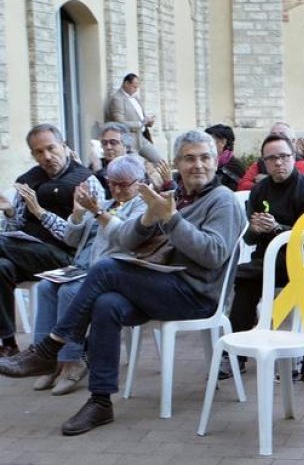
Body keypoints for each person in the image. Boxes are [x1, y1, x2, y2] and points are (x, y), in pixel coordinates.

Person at [0, 130, 245, 435]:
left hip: (197, 295)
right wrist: (146, 219)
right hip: (163, 286)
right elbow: (128, 239)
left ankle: (51, 347)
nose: (198, 165)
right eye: (190, 158)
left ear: (215, 161)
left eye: (205, 157)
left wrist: (171, 219)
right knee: (106, 304)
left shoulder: (222, 200)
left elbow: (213, 255)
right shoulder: (173, 197)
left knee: (105, 268)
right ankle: (100, 402)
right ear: (177, 163)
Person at [32, 155, 149, 396]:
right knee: (44, 287)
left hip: (114, 272)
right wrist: (77, 214)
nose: (116, 189)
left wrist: (96, 212)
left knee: (69, 291)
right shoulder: (106, 203)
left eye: (123, 184)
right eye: (112, 183)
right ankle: (46, 359)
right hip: (82, 267)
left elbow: (126, 237)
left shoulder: (142, 207)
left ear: (139, 182)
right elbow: (71, 239)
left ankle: (73, 359)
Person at [0, 124, 107, 356]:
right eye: (39, 152)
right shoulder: (27, 180)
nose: (47, 157)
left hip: (67, 260)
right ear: (33, 155)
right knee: (1, 266)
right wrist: (9, 213)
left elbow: (79, 239)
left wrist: (40, 213)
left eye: (51, 148)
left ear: (64, 146)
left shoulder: (87, 182)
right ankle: (8, 343)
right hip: (25, 255)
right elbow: (14, 227)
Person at [227, 134, 304, 372]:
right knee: (245, 279)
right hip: (267, 262)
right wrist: (255, 228)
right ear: (264, 163)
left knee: (246, 274)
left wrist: (277, 229)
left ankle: (300, 357)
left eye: (283, 156)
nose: (278, 163)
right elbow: (249, 238)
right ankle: (237, 357)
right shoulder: (259, 190)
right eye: (271, 159)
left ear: (294, 157)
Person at [103, 73, 164, 164]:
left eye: (137, 87)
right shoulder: (117, 99)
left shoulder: (135, 98)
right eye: (134, 87)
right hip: (129, 141)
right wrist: (141, 123)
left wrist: (148, 121)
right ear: (126, 84)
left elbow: (140, 116)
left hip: (141, 137)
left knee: (159, 160)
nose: (136, 90)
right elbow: (119, 123)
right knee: (136, 167)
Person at [236, 122, 304, 191]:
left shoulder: (301, 164)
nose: (277, 139)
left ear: (293, 141)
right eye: (273, 135)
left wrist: (265, 181)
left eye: (282, 135)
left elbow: (292, 188)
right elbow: (242, 186)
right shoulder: (260, 163)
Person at [205, 124, 246, 191]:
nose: (204, 145)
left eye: (209, 141)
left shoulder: (236, 167)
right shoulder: (204, 164)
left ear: (223, 142)